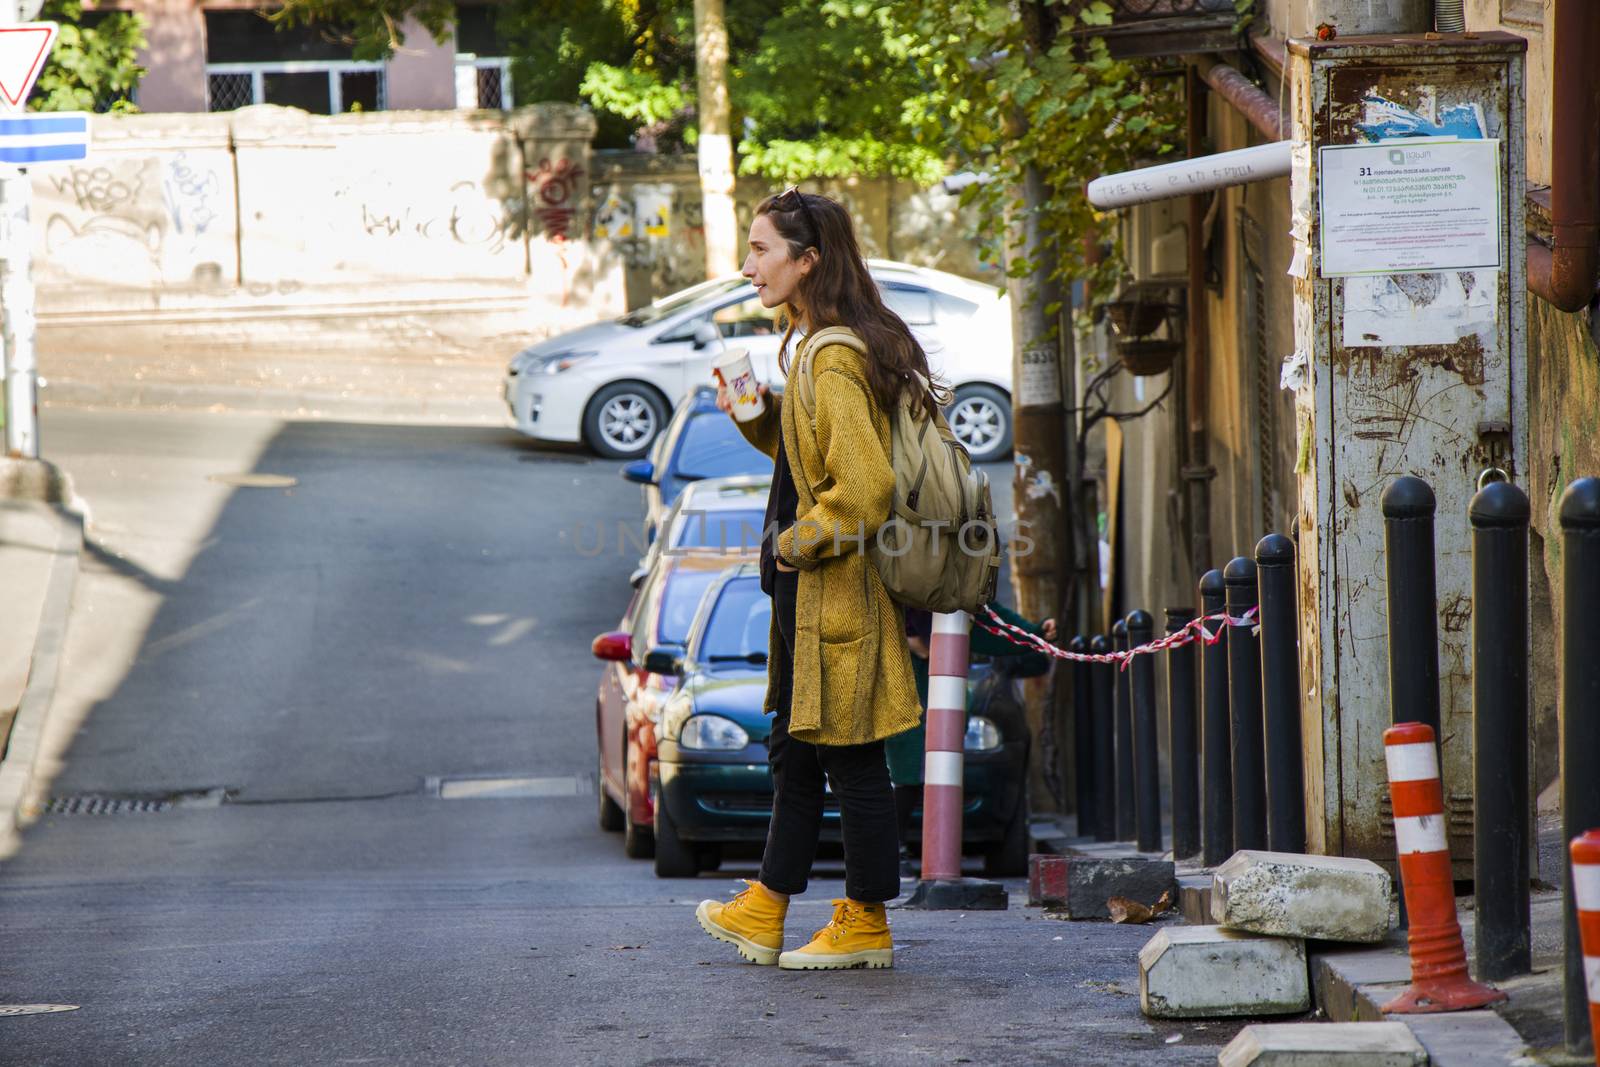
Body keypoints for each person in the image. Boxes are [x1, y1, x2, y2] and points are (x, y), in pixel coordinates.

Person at [695, 187, 935, 971]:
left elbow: (861, 491)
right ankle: (765, 907)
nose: (747, 264)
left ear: (809, 261)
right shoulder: (810, 346)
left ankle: (864, 919)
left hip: (831, 588)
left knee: (850, 756)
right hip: (811, 594)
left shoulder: (831, 354)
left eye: (762, 249)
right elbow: (814, 461)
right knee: (795, 751)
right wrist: (760, 416)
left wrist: (794, 545)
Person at [888, 604, 1056, 877]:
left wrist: (1034, 633)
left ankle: (899, 851)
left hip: (934, 691)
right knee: (899, 771)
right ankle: (891, 850)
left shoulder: (955, 585)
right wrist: (905, 634)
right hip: (891, 683)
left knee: (917, 770)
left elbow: (985, 612)